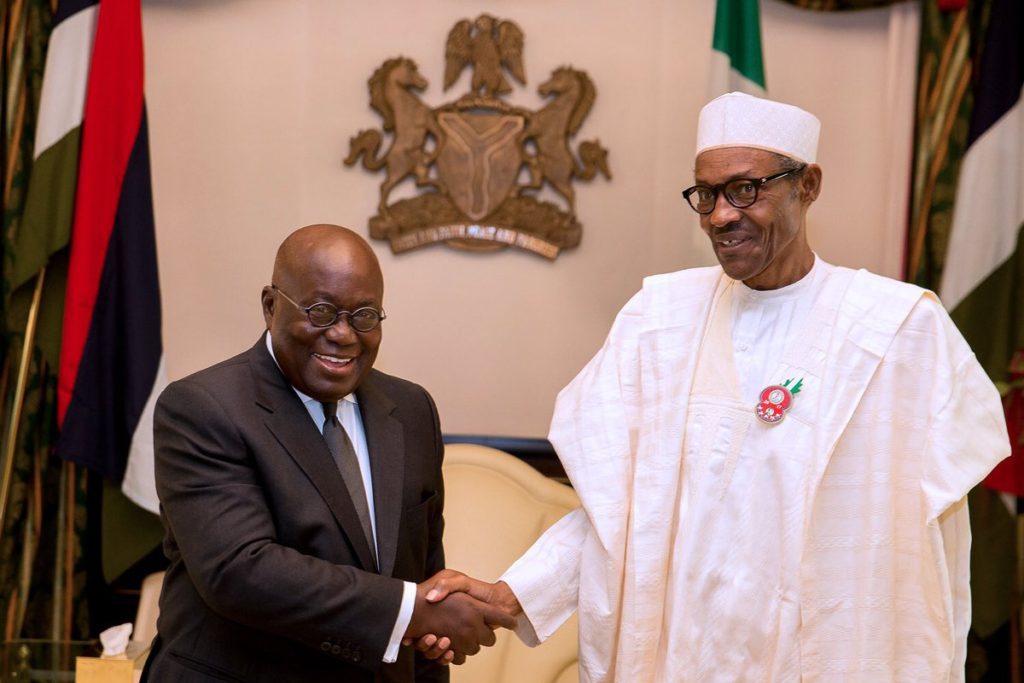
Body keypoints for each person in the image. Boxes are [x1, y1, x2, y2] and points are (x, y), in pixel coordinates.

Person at [422, 93, 1011, 681]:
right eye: (706, 194)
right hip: (681, 660)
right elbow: (612, 515)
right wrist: (510, 597)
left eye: (745, 189)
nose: (720, 216)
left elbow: (933, 546)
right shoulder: (658, 322)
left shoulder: (899, 331)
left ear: (808, 186)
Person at [142, 224, 513, 683]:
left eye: (364, 316)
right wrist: (408, 613)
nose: (343, 335)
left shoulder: (413, 410)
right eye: (321, 311)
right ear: (270, 306)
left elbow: (425, 579)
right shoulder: (203, 407)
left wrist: (427, 620)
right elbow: (239, 572)